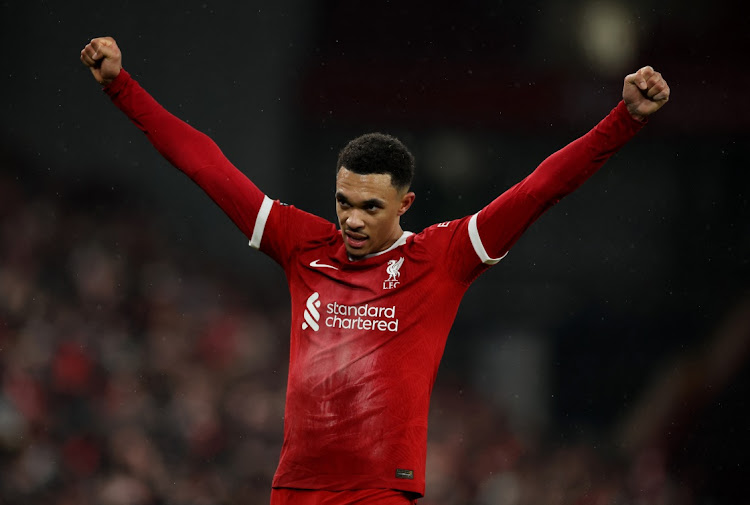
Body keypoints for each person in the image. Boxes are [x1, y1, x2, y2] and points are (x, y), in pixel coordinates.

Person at [80, 36, 669, 505]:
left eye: (370, 207)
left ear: (404, 206)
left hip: (379, 493)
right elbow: (206, 165)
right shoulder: (300, 243)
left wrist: (624, 120)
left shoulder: (443, 257)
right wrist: (121, 87)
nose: (353, 221)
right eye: (343, 202)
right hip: (293, 488)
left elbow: (541, 188)